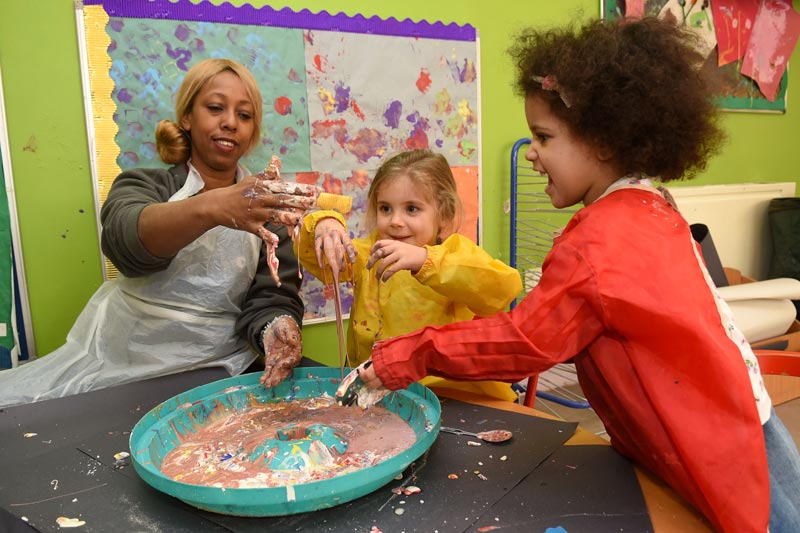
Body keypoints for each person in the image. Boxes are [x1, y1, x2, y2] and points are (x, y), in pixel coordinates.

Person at [351, 17, 800, 533]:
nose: (534, 154)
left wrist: (403, 356)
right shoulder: (650, 203)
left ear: (605, 141)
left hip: (715, 438)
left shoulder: (597, 243)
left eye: (543, 136)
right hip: (746, 411)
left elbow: (523, 341)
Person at [0, 58, 305, 407]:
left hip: (216, 368)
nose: (230, 122)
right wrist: (213, 207)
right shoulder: (143, 185)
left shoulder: (268, 213)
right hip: (122, 362)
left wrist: (276, 326)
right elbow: (125, 243)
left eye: (245, 115)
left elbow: (273, 296)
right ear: (187, 118)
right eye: (216, 108)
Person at [296, 149, 522, 401]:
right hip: (381, 393)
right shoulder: (368, 253)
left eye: (412, 209)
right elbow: (312, 256)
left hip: (454, 394)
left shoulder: (455, 252)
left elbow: (504, 287)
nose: (395, 221)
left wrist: (426, 261)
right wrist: (325, 224)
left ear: (444, 215)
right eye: (385, 208)